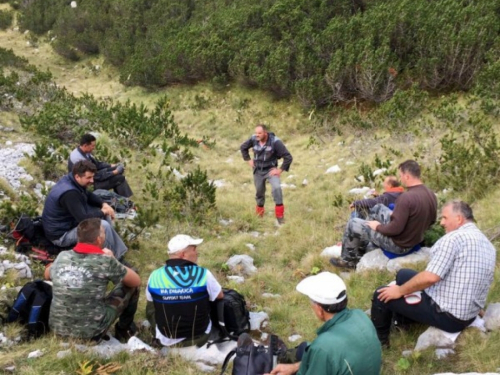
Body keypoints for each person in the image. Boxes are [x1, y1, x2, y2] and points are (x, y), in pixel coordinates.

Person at [371, 201, 496, 347]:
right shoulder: (487, 245)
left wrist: (399, 291)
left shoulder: (453, 239)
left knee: (380, 294)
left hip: (448, 316)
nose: (441, 223)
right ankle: (403, 321)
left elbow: (431, 277)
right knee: (403, 274)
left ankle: (380, 343)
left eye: (444, 218)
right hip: (467, 313)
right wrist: (478, 310)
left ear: (459, 219)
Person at [266, 272, 381, 375]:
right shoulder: (360, 315)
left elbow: (325, 356)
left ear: (320, 310)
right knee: (304, 348)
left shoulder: (323, 347)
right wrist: (294, 367)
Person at [45, 218, 141, 342]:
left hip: (57, 330)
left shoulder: (62, 256)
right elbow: (136, 281)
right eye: (104, 232)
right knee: (131, 285)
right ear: (99, 239)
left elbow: (47, 274)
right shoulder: (106, 261)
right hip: (91, 333)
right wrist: (114, 260)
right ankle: (124, 330)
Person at [331, 160, 437, 268]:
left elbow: (394, 229)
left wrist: (377, 227)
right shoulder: (430, 194)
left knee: (353, 223)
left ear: (407, 176)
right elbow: (432, 220)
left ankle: (349, 261)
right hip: (413, 240)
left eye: (401, 176)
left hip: (398, 245)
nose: (400, 179)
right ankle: (364, 242)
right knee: (379, 208)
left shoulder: (406, 198)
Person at [146, 234, 224, 347]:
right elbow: (220, 296)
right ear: (183, 254)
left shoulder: (155, 275)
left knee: (151, 304)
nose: (197, 253)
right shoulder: (203, 274)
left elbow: (150, 303)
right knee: (209, 294)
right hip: (199, 337)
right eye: (194, 250)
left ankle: (160, 333)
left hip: (166, 337)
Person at [42, 160, 128, 259]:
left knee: (103, 213)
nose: (92, 180)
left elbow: (88, 194)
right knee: (102, 225)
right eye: (89, 177)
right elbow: (83, 219)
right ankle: (115, 259)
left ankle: (112, 248)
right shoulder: (70, 194)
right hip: (61, 235)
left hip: (67, 224)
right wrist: (103, 211)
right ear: (77, 176)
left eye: (92, 177)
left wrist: (103, 204)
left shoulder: (72, 180)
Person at [240, 124, 293, 224]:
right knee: (259, 192)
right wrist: (248, 160)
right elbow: (243, 147)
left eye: (259, 133)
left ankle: (280, 216)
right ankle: (259, 216)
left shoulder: (275, 141)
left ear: (265, 133)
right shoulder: (253, 139)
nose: (257, 135)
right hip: (258, 170)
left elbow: (288, 157)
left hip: (270, 170)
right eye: (256, 133)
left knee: (277, 188)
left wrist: (280, 170)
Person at [68, 133, 133, 197]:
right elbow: (96, 176)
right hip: (88, 185)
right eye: (92, 146)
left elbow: (97, 165)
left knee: (117, 171)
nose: (94, 147)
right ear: (85, 145)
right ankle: (125, 202)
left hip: (92, 178)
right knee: (119, 178)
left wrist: (111, 166)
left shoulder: (84, 152)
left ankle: (119, 200)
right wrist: (115, 172)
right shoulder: (79, 159)